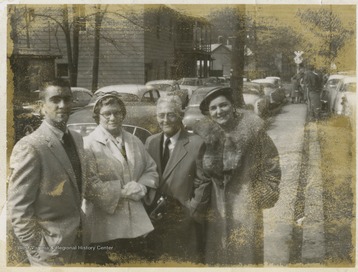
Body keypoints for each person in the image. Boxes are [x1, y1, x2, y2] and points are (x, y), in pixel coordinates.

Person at [193, 86, 281, 266]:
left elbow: (271, 163)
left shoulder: (253, 131)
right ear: (209, 113)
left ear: (232, 106)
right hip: (215, 207)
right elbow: (199, 173)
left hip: (247, 203)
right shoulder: (204, 137)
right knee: (218, 255)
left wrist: (263, 193)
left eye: (223, 105)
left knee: (245, 255)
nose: (219, 111)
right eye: (214, 108)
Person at [8, 78, 87, 266]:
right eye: (55, 99)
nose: (63, 105)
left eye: (67, 99)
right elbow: (18, 210)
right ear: (42, 106)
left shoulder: (77, 139)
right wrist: (38, 248)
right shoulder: (31, 146)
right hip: (49, 253)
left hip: (77, 244)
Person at [82, 93, 158, 265]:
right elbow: (89, 184)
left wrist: (142, 186)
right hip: (105, 226)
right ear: (97, 116)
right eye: (107, 113)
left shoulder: (134, 140)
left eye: (117, 113)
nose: (113, 117)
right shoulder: (89, 144)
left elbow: (150, 169)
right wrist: (122, 192)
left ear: (123, 114)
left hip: (136, 225)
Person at [145, 95, 211, 263]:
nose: (165, 120)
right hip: (155, 222)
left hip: (184, 223)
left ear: (181, 115)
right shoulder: (150, 142)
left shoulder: (196, 143)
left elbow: (203, 182)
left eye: (171, 114)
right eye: (161, 115)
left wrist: (191, 212)